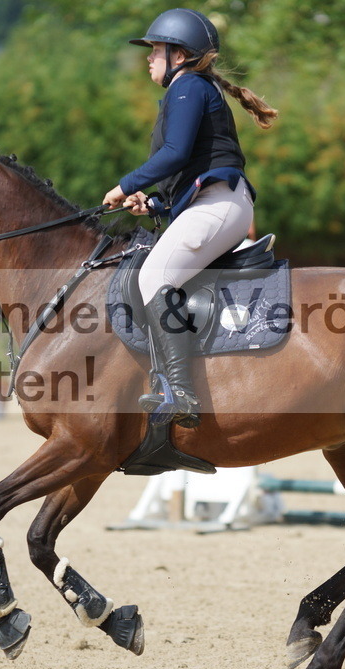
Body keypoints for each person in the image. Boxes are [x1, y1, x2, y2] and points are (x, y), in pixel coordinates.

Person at [103, 8, 277, 429]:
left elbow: (176, 154)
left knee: (153, 277)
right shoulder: (190, 89)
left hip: (220, 205)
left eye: (155, 49)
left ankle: (179, 391)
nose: (148, 57)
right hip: (212, 204)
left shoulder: (188, 88)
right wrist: (156, 205)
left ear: (177, 55)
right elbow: (188, 169)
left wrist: (125, 184)